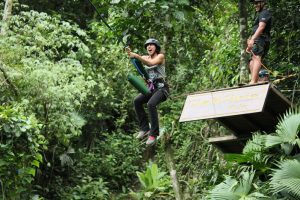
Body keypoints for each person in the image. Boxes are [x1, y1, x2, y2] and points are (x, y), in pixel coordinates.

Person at [126, 38, 169, 146]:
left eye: (151, 45)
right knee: (137, 101)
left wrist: (136, 56)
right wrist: (130, 53)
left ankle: (153, 134)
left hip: (161, 88)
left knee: (151, 104)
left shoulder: (160, 56)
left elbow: (150, 63)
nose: (149, 47)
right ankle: (144, 128)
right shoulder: (144, 57)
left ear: (156, 47)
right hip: (151, 88)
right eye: (147, 45)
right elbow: (138, 61)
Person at [246, 0, 272, 84]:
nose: (255, 5)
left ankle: (253, 81)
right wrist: (250, 42)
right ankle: (254, 81)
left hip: (261, 38)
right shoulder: (260, 14)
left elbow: (261, 27)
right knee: (252, 60)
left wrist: (253, 39)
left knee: (256, 58)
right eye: (254, 3)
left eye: (257, 3)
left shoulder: (265, 13)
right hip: (257, 39)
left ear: (263, 3)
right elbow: (256, 28)